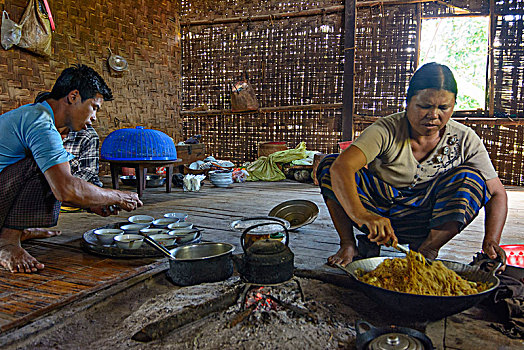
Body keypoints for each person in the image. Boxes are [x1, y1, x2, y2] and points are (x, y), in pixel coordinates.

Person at [317, 62, 508, 267]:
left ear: (453, 105)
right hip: (379, 215)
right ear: (408, 102)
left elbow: (497, 193)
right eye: (424, 106)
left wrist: (491, 240)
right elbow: (341, 167)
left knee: (471, 179)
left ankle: (427, 249)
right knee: (330, 166)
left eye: (443, 107)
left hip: (427, 219)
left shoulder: (465, 139)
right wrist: (363, 215)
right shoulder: (386, 130)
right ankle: (348, 245)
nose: (434, 115)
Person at [0, 64, 143, 273]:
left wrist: (92, 203)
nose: (94, 117)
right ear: (73, 96)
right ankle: (6, 243)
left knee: (53, 169)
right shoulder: (40, 123)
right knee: (43, 169)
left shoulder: (36, 115)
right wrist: (116, 196)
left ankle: (20, 229)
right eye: (94, 107)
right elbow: (65, 189)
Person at [36, 92, 103, 188]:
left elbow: (87, 172)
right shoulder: (38, 134)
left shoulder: (87, 135)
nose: (94, 117)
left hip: (81, 187)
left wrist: (62, 186)